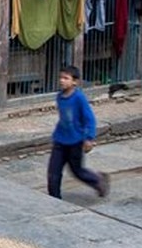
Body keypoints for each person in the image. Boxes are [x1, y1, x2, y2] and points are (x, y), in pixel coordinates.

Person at [47, 65, 110, 200]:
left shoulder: (79, 98)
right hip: (60, 140)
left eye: (66, 78)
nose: (62, 81)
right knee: (53, 172)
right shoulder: (59, 97)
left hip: (75, 141)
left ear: (74, 82)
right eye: (61, 78)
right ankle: (54, 199)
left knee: (77, 171)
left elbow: (89, 118)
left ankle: (98, 180)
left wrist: (89, 138)